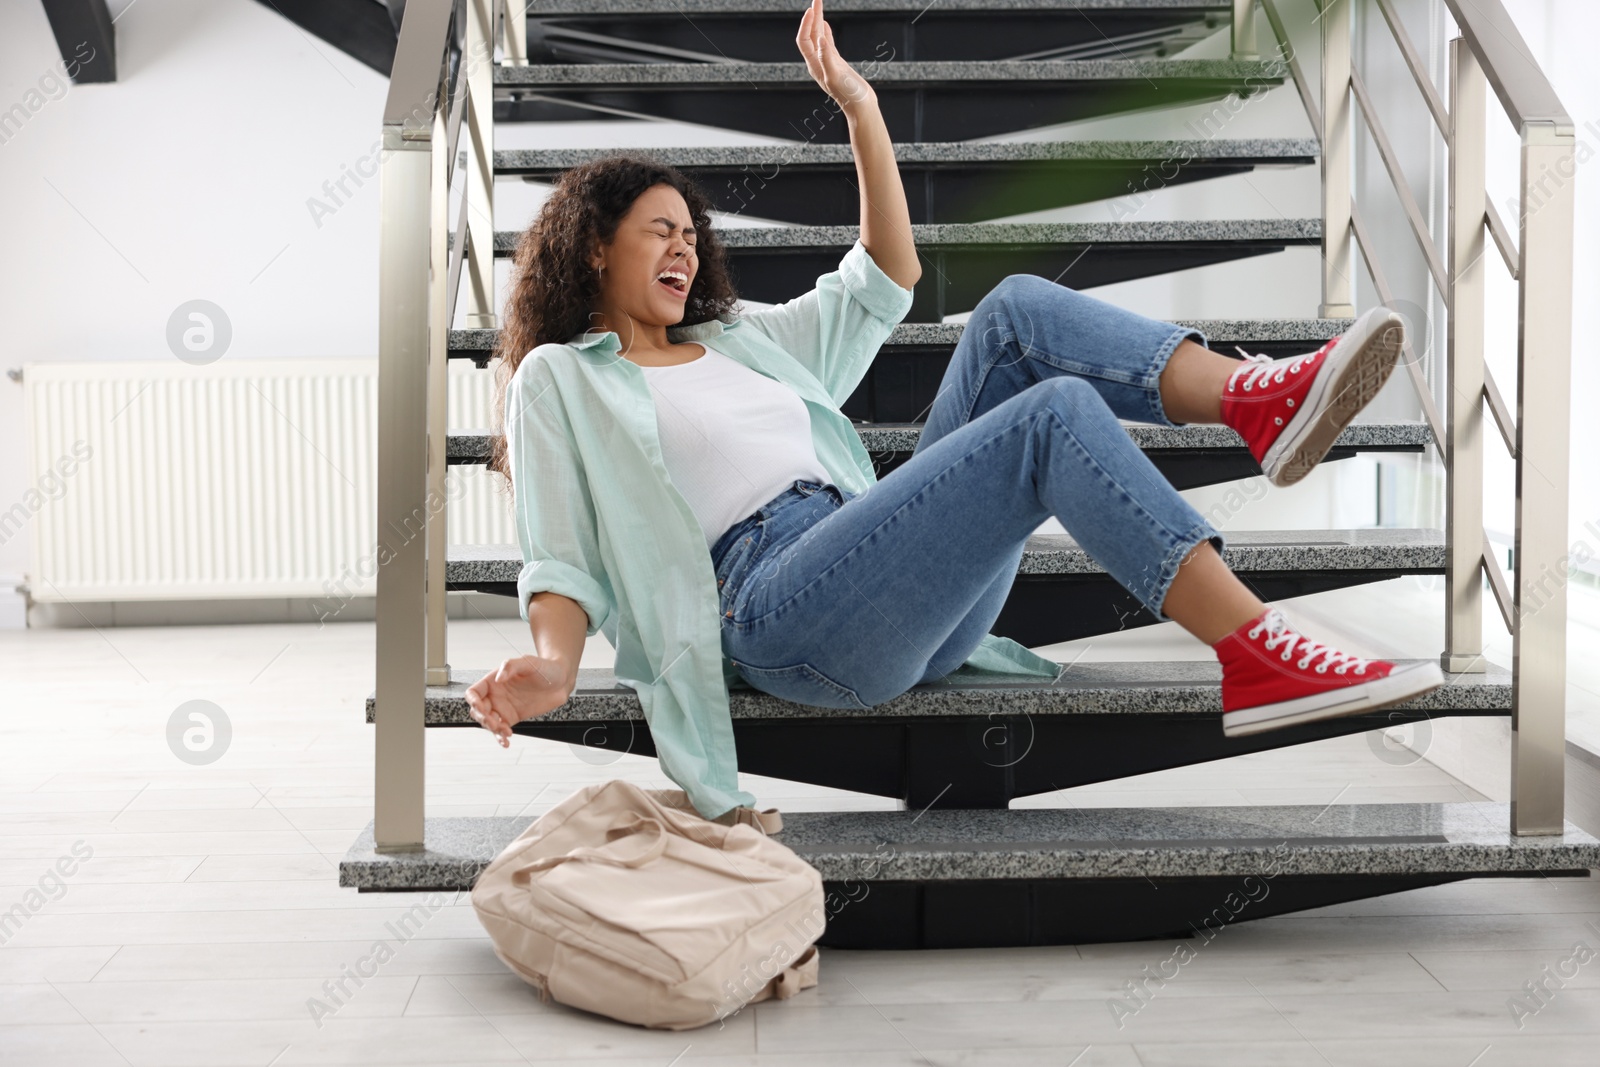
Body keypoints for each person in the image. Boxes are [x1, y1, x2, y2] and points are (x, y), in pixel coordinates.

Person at [463, 0, 1443, 822]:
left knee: (1014, 313)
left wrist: (861, 111)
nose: (684, 248)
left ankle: (1253, 401)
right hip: (773, 606)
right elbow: (560, 552)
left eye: (690, 231)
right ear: (593, 248)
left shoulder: (738, 340)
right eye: (656, 233)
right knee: (1053, 413)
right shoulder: (560, 378)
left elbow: (885, 275)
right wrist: (553, 663)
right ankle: (1255, 651)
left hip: (880, 572)